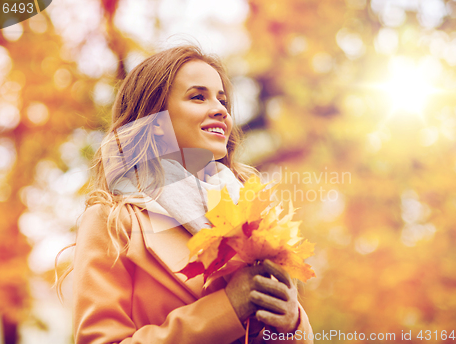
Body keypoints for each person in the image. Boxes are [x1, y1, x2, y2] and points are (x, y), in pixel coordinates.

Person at [59, 44, 314, 344]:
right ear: (155, 121)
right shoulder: (113, 223)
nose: (221, 110)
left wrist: (292, 324)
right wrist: (226, 309)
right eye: (197, 97)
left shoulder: (253, 214)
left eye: (223, 100)